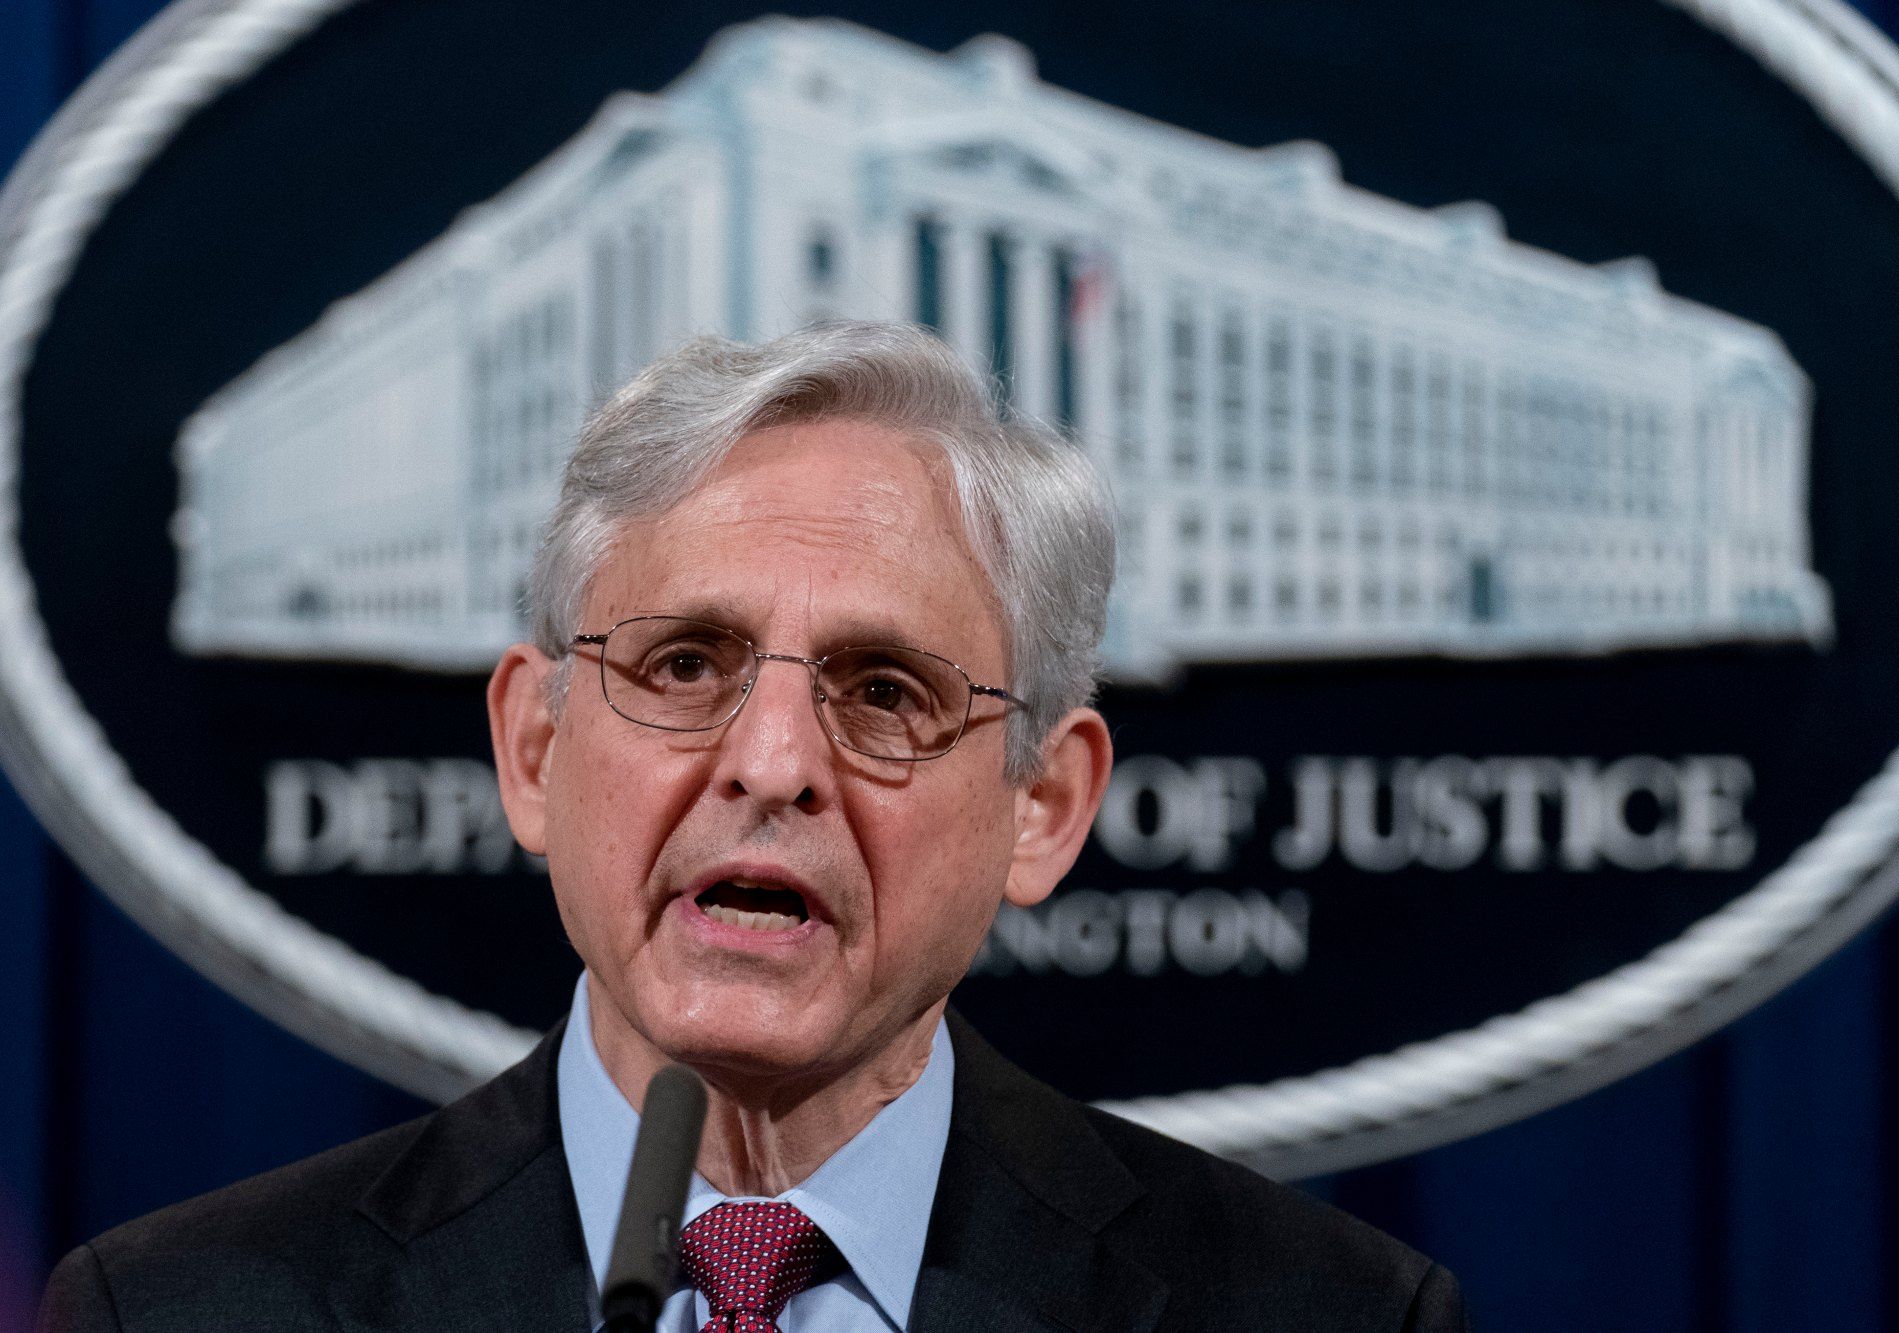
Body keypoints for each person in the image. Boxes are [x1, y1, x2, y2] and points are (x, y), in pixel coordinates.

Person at [40, 321, 1468, 1331]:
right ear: (535, 748)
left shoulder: (1325, 1313)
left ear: (1043, 805)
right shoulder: (178, 1310)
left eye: (887, 690)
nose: (774, 762)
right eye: (682, 666)